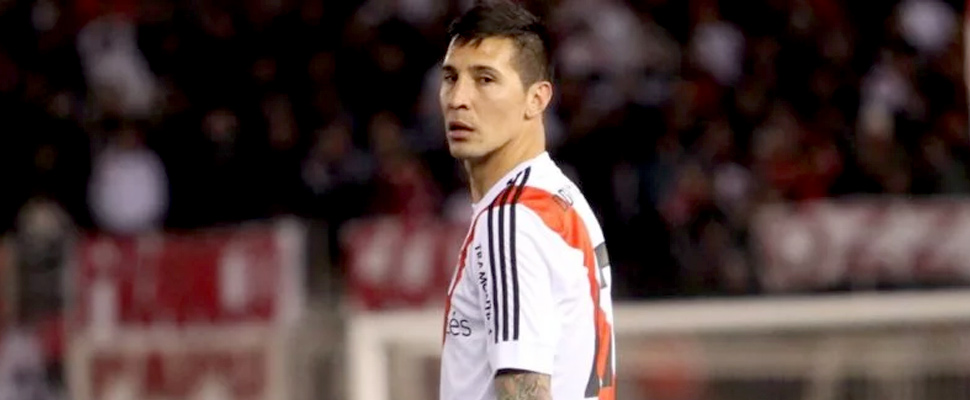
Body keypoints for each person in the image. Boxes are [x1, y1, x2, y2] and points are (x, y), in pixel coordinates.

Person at [438, 2, 616, 399]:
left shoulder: (510, 220)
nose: (458, 99)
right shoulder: (558, 197)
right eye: (451, 78)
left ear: (537, 99)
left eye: (485, 79)